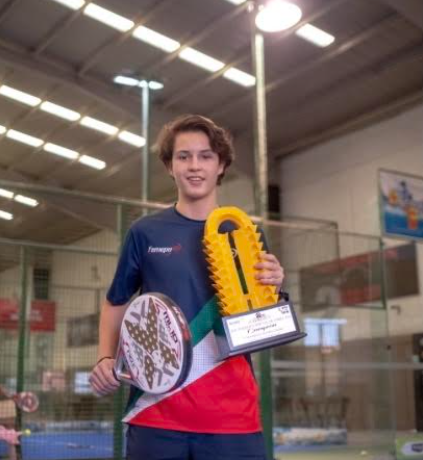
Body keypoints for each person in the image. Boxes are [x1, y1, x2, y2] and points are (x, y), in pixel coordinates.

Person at [89, 114, 285, 460]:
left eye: (206, 156)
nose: (195, 166)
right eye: (184, 156)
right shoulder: (145, 232)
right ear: (170, 166)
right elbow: (115, 303)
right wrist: (106, 356)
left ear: (221, 164)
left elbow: (263, 323)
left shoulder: (245, 235)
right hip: (155, 412)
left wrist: (275, 286)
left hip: (232, 417)